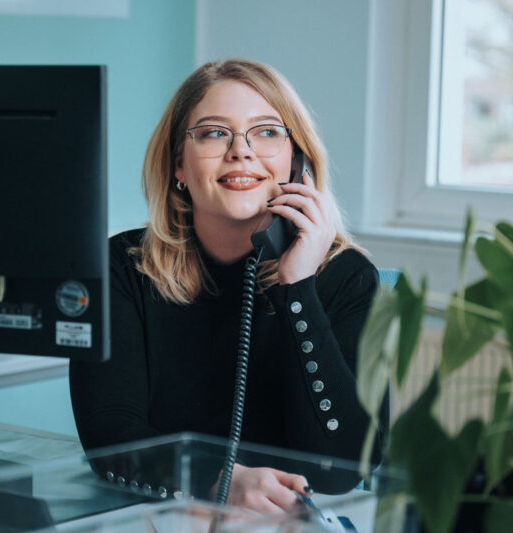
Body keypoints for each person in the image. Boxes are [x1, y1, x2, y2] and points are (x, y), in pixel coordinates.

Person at [69, 58, 386, 514]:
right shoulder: (123, 266)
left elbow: (341, 468)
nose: (241, 151)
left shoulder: (348, 275)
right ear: (178, 163)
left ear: (297, 162)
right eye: (215, 132)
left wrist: (297, 291)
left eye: (267, 131)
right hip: (161, 516)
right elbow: (108, 436)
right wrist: (219, 480)